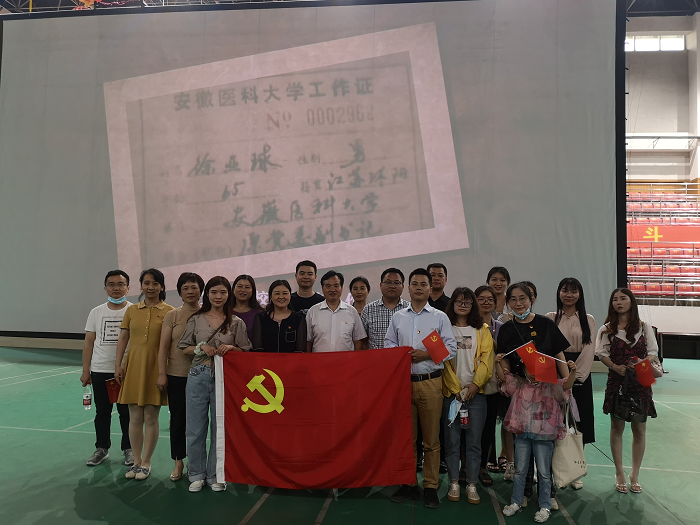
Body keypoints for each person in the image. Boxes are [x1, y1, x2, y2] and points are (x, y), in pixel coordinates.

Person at [385, 268, 457, 509]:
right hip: (403, 384)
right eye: (414, 283)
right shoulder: (398, 317)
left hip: (430, 382)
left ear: (430, 288)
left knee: (431, 440)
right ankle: (408, 484)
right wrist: (400, 354)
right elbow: (388, 343)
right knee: (407, 439)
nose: (418, 287)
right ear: (408, 288)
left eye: (423, 284)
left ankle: (430, 486)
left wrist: (426, 354)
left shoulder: (439, 317)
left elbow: (451, 349)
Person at [178, 276, 252, 493]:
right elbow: (184, 347)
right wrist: (201, 347)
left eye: (223, 292)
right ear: (207, 294)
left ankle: (216, 474)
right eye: (214, 292)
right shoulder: (196, 319)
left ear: (229, 294)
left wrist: (232, 349)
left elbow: (246, 350)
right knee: (195, 428)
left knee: (220, 428)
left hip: (225, 379)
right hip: (198, 376)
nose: (218, 296)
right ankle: (196, 474)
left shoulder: (236, 322)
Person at [497, 282, 570, 491]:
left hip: (547, 393)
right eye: (513, 299)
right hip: (522, 394)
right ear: (508, 303)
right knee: (523, 441)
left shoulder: (546, 324)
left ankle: (548, 491)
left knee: (546, 442)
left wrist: (566, 385)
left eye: (522, 298)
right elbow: (504, 358)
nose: (518, 303)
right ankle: (526, 489)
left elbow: (558, 354)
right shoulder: (506, 329)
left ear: (531, 299)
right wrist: (505, 374)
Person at [495, 353, 577, 523]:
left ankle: (545, 505)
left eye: (537, 369)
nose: (533, 373)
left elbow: (567, 385)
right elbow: (504, 379)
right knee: (520, 471)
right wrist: (497, 363)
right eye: (529, 369)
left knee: (544, 473)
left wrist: (573, 372)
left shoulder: (551, 386)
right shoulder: (518, 383)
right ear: (523, 368)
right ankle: (516, 502)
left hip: (544, 437)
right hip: (523, 435)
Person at [595, 288, 657, 495]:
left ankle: (635, 474)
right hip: (617, 382)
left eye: (623, 298)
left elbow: (653, 353)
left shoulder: (644, 327)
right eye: (615, 299)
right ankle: (619, 472)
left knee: (640, 429)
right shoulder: (606, 329)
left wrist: (642, 363)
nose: (619, 302)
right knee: (617, 428)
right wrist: (615, 367)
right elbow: (601, 353)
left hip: (641, 383)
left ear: (631, 302)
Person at [115, 269, 174, 481]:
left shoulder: (170, 311)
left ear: (161, 286)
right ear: (141, 285)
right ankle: (136, 461)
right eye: (147, 283)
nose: (150, 287)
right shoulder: (132, 310)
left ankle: (147, 462)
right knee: (134, 417)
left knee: (150, 416)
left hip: (156, 368)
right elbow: (123, 338)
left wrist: (164, 372)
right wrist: (118, 365)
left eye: (155, 283)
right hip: (134, 366)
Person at [442, 287, 494, 504]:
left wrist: (474, 385)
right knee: (452, 442)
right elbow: (443, 361)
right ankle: (454, 482)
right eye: (459, 302)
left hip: (476, 396)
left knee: (474, 443)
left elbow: (487, 360)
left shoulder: (482, 330)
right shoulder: (444, 328)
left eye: (467, 302)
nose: (463, 305)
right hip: (452, 396)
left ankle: (472, 484)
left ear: (473, 305)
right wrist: (457, 389)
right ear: (453, 304)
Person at [546, 277, 596, 490]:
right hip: (555, 374)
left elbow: (589, 350)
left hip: (579, 376)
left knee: (578, 423)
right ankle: (552, 469)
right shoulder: (550, 318)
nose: (569, 295)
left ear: (580, 294)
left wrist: (577, 377)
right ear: (559, 293)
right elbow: (548, 348)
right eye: (565, 290)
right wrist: (561, 377)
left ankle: (575, 471)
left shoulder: (588, 319)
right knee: (554, 423)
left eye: (573, 291)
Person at [81, 270, 133, 467]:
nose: (116, 288)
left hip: (126, 371)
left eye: (120, 284)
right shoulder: (96, 312)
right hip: (100, 369)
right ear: (105, 289)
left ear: (128, 288)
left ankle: (129, 448)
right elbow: (89, 342)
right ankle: (102, 448)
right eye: (111, 284)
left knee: (127, 412)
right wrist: (86, 370)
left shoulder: (134, 311)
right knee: (102, 411)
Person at [156, 272, 204, 482]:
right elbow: (163, 347)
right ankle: (178, 461)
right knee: (178, 420)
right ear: (180, 291)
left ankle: (197, 461)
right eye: (185, 288)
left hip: (203, 374)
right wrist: (162, 373)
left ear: (201, 290)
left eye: (194, 287)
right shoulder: (172, 315)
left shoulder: (208, 313)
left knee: (200, 422)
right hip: (176, 375)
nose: (190, 291)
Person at [474, 285, 503, 486]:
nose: (486, 302)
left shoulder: (500, 327)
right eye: (481, 298)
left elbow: (502, 352)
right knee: (467, 427)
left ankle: (483, 466)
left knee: (488, 426)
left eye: (490, 299)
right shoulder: (468, 325)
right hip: (470, 382)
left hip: (492, 384)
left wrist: (490, 341)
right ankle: (466, 466)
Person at [306, 270, 366, 353]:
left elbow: (358, 341)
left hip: (346, 360)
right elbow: (308, 341)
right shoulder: (312, 312)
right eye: (328, 286)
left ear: (341, 288)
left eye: (336, 286)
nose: (332, 289)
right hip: (319, 360)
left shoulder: (352, 311)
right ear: (322, 289)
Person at [252, 280, 307, 353]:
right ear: (271, 296)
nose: (281, 297)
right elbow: (257, 348)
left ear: (290, 296)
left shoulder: (298, 319)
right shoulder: (261, 318)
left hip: (291, 360)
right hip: (266, 360)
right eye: (277, 293)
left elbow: (300, 350)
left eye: (285, 293)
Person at [361, 268, 409, 350]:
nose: (392, 286)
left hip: (403, 357)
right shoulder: (368, 309)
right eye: (388, 282)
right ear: (381, 285)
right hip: (376, 357)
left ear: (403, 287)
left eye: (396, 283)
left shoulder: (409, 309)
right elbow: (362, 341)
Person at [232, 274, 263, 341]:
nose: (243, 290)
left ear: (253, 291)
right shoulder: (225, 311)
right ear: (233, 289)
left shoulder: (260, 314)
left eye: (247, 287)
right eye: (240, 286)